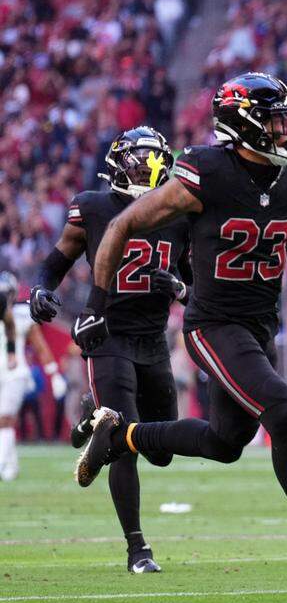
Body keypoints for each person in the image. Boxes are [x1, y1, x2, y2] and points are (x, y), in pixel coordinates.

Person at [71, 72, 287, 587]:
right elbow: (123, 225)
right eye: (276, 120)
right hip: (212, 324)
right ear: (243, 124)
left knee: (225, 442)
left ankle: (120, 436)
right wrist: (96, 304)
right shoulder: (205, 173)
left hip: (260, 324)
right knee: (284, 413)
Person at [29, 126, 188, 572]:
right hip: (107, 336)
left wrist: (178, 287)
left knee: (161, 449)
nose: (148, 172)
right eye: (140, 162)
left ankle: (89, 410)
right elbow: (56, 260)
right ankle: (138, 549)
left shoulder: (179, 216)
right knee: (125, 443)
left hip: (153, 340)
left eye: (155, 164)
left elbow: (197, 285)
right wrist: (40, 289)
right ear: (118, 164)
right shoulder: (94, 207)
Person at [0, 274, 68, 481]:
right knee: (4, 421)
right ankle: (10, 467)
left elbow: (40, 346)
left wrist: (54, 373)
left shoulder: (21, 314)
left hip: (16, 372)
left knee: (5, 418)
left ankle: (2, 463)